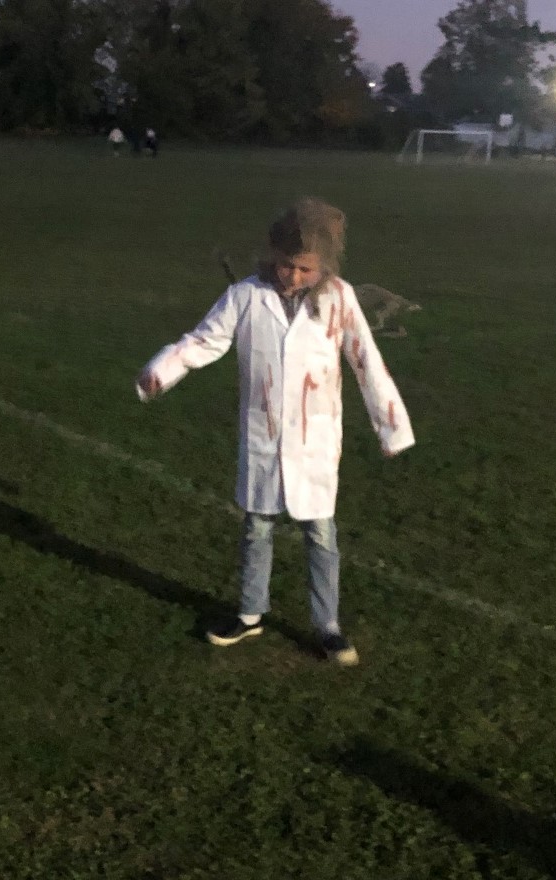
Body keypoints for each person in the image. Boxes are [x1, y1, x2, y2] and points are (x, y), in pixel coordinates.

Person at [136, 198, 415, 666]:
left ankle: (327, 626)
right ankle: (250, 613)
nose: (294, 276)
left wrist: (391, 428)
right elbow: (206, 339)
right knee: (257, 526)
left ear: (324, 266)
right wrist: (161, 371)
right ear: (273, 256)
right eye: (287, 265)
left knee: (320, 533)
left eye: (306, 269)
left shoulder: (339, 298)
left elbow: (366, 360)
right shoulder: (245, 295)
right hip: (264, 434)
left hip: (315, 437)